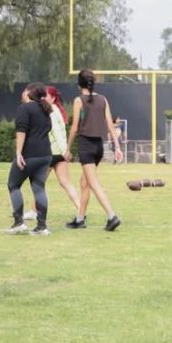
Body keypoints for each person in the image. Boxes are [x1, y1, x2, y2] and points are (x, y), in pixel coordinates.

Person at [66, 69, 122, 231]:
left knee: (93, 183)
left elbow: (74, 127)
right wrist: (117, 147)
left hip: (86, 146)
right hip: (98, 147)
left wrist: (68, 148)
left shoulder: (78, 100)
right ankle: (79, 219)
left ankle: (112, 216)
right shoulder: (103, 99)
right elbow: (110, 125)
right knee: (84, 183)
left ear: (79, 84)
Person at [8, 83, 53, 236]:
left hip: (29, 155)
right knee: (39, 188)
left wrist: (19, 153)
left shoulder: (24, 108)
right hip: (46, 154)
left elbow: (21, 131)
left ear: (28, 92)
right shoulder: (45, 109)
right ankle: (42, 226)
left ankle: (19, 222)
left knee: (13, 184)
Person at [45, 86, 81, 214]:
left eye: (46, 95)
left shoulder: (52, 111)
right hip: (59, 152)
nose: (43, 98)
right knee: (66, 183)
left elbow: (57, 133)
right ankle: (80, 209)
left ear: (53, 98)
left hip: (53, 153)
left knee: (38, 184)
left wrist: (65, 151)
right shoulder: (57, 110)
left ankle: (34, 212)